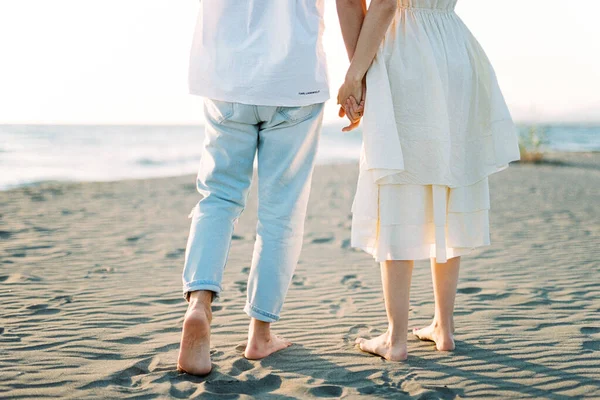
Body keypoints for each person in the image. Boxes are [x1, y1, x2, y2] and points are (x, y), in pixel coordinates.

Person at [336, 0, 520, 361]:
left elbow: (382, 3)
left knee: (399, 187)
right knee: (448, 177)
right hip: (453, 46)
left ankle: (396, 338)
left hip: (405, 50)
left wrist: (355, 74)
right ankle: (443, 326)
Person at [177, 0, 332, 376]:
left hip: (227, 77)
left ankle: (199, 302)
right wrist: (358, 74)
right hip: (295, 82)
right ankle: (260, 333)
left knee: (218, 197)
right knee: (281, 212)